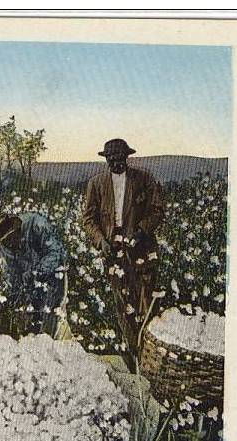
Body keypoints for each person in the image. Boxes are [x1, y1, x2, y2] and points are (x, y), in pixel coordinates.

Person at [82, 139, 165, 370]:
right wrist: (100, 241)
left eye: (120, 158)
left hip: (141, 247)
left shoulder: (144, 179)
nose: (116, 163)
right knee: (121, 303)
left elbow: (158, 210)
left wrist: (141, 232)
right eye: (111, 159)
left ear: (127, 157)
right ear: (106, 159)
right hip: (111, 248)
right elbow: (88, 219)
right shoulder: (96, 184)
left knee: (145, 300)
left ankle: (150, 356)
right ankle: (133, 355)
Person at [0, 212, 67, 337]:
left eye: (8, 239)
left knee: (50, 317)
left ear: (15, 231)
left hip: (53, 273)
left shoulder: (37, 224)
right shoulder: (5, 246)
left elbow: (56, 253)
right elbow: (11, 274)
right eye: (3, 242)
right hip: (29, 280)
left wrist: (37, 271)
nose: (7, 244)